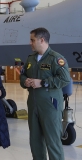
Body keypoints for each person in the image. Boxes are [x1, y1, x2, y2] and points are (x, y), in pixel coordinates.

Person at [20, 27, 70, 160]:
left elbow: (65, 79)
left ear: (42, 40)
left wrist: (42, 83)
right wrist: (25, 81)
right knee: (35, 143)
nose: (30, 43)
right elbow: (22, 75)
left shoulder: (56, 58)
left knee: (53, 142)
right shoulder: (30, 59)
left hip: (50, 106)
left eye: (32, 40)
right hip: (33, 105)